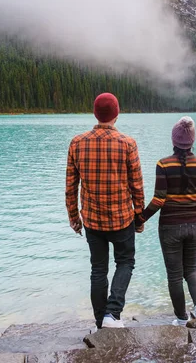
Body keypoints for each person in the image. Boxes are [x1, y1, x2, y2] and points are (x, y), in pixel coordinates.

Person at [65, 92, 144, 329]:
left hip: (92, 221)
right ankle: (113, 313)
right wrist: (139, 218)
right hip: (121, 220)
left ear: (95, 113)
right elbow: (137, 185)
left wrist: (74, 218)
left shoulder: (77, 142)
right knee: (126, 262)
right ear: (117, 114)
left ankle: (101, 321)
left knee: (98, 269)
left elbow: (70, 185)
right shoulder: (127, 144)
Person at [136, 116, 196, 326]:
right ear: (192, 141)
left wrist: (139, 218)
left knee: (175, 276)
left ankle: (180, 318)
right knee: (191, 270)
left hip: (170, 226)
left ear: (174, 140)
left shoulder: (163, 164)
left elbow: (159, 199)